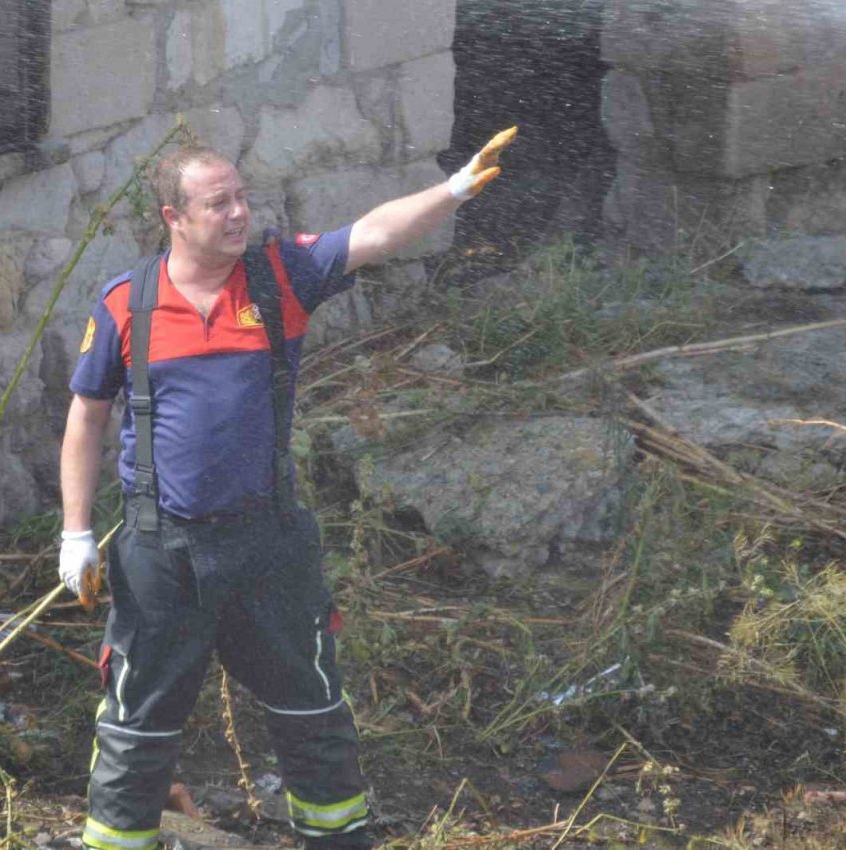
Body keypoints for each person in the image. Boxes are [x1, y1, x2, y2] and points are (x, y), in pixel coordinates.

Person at [58, 126, 517, 850]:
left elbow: (371, 234)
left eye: (242, 197)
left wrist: (453, 189)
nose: (239, 213)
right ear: (173, 218)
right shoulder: (127, 305)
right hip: (161, 554)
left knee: (313, 714)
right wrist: (77, 532)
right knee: (134, 730)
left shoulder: (281, 277)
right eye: (218, 204)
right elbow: (85, 418)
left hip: (267, 545)